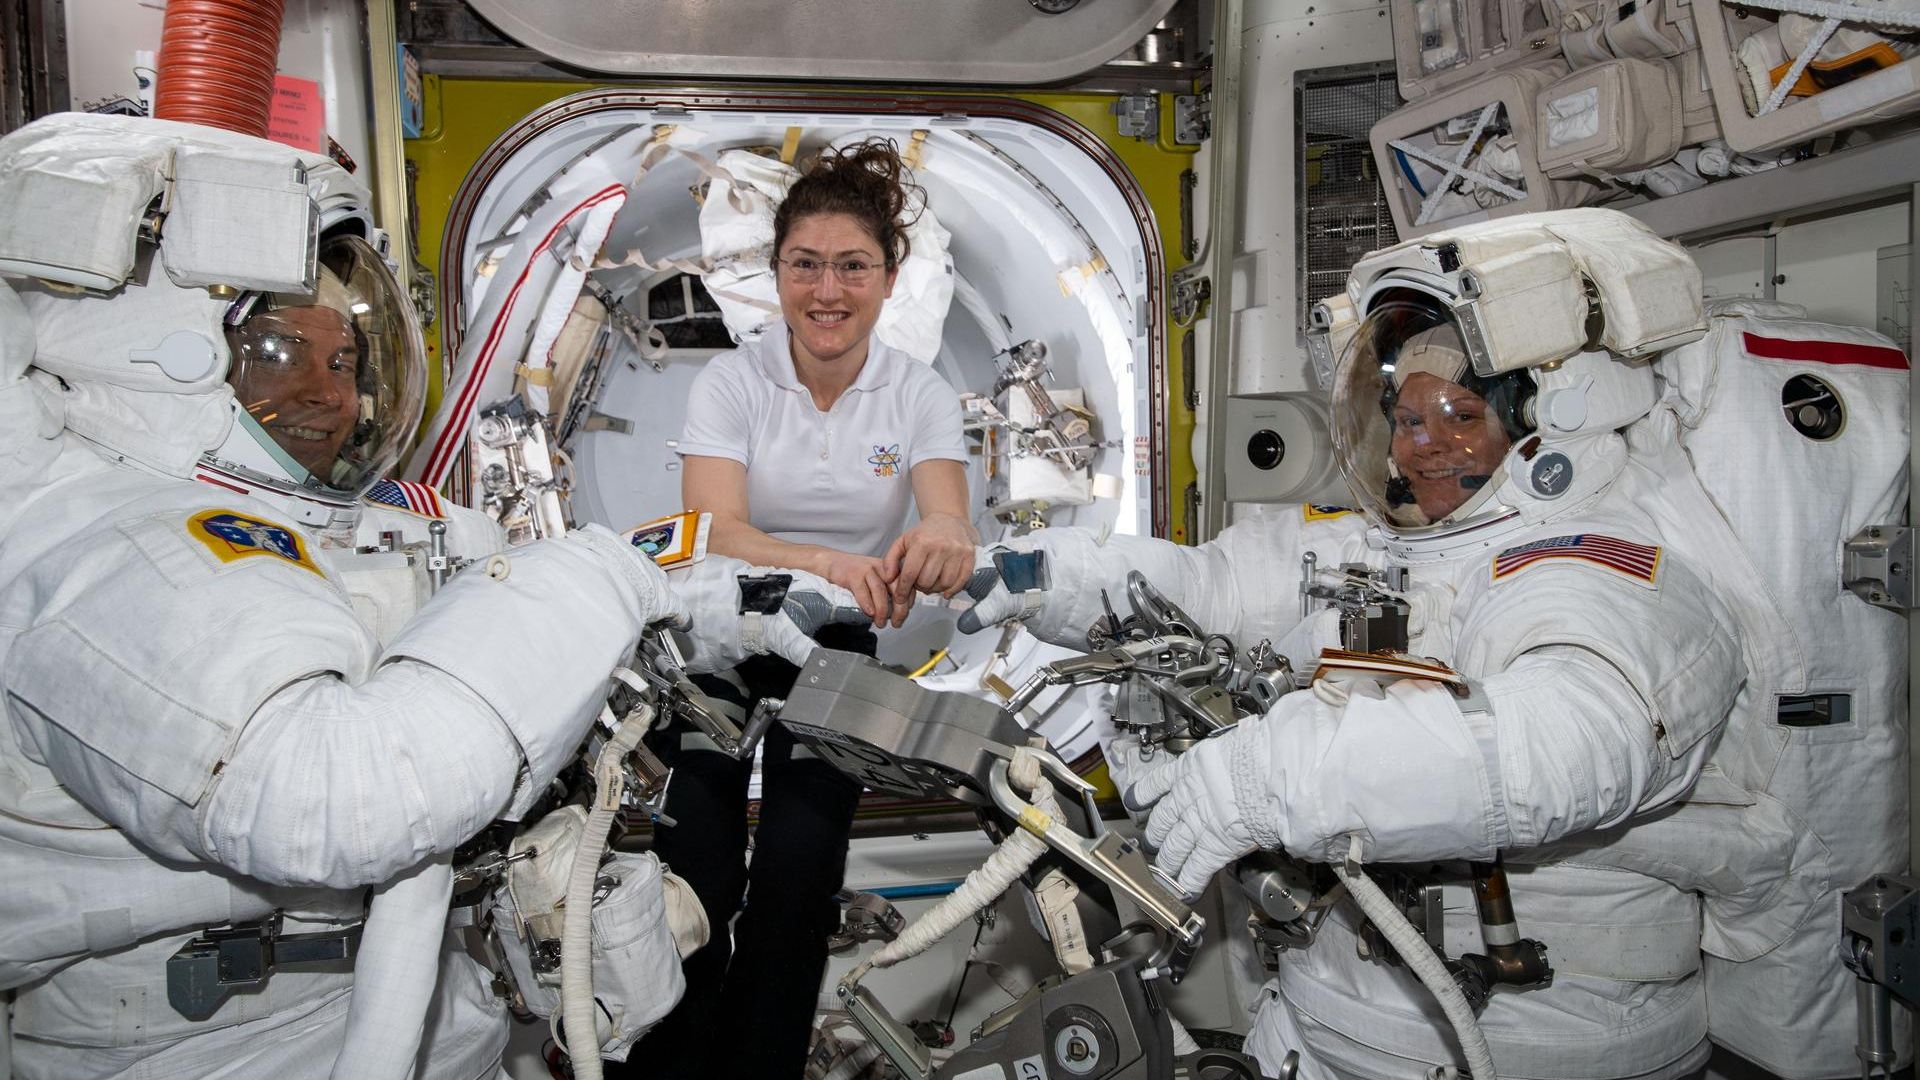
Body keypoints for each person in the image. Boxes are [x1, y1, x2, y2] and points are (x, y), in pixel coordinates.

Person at [0, 112, 845, 1080]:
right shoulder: (93, 553)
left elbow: (485, 611)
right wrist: (607, 573)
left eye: (347, 359)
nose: (337, 396)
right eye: (282, 353)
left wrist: (695, 609)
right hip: (222, 1048)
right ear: (161, 355)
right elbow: (342, 793)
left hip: (427, 1022)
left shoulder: (342, 526)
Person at [960, 209, 1829, 1080]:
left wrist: (1272, 778)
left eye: (1459, 415)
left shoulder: (1609, 566)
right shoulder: (1384, 550)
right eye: (1407, 421)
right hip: (1325, 1016)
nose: (1425, 449)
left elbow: (1569, 742)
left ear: (1550, 422)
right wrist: (1047, 576)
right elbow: (1217, 587)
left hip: (1536, 1044)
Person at [631, 139, 975, 1080]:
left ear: (889, 277)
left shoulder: (918, 393)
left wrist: (943, 541)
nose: (828, 290)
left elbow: (947, 511)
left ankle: (764, 1065)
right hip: (721, 629)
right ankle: (675, 1061)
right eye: (805, 264)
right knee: (695, 857)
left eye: (852, 266)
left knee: (798, 862)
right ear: (777, 271)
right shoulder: (733, 382)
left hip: (837, 643)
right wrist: (829, 558)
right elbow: (714, 530)